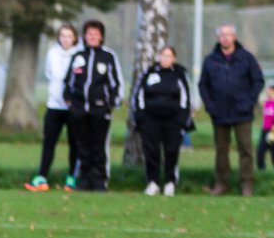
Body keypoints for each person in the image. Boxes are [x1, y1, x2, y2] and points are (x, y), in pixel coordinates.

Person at [198, 23, 263, 196]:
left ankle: (247, 184)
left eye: (229, 35)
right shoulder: (210, 60)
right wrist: (210, 105)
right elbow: (203, 84)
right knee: (221, 151)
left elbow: (258, 81)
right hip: (219, 113)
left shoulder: (246, 58)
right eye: (222, 35)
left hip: (242, 113)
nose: (226, 38)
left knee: (246, 150)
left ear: (234, 37)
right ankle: (221, 183)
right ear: (218, 38)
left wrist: (249, 102)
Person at [63, 19, 123, 191]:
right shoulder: (78, 57)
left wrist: (110, 104)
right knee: (82, 146)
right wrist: (70, 102)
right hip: (79, 109)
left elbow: (116, 83)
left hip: (100, 110)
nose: (92, 37)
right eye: (89, 34)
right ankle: (84, 179)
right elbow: (69, 82)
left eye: (95, 34)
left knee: (99, 146)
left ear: (101, 37)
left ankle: (99, 180)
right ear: (84, 36)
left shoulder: (108, 57)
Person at [26, 23, 81, 190]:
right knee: (49, 142)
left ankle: (72, 178)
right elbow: (51, 74)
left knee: (75, 144)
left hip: (72, 107)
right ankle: (42, 177)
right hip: (54, 106)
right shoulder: (52, 53)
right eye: (63, 36)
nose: (65, 39)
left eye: (69, 36)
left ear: (74, 38)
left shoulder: (79, 55)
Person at [131, 45, 191, 196]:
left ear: (174, 59)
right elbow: (139, 95)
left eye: (169, 56)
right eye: (163, 55)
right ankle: (153, 182)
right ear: (159, 57)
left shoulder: (179, 74)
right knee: (152, 151)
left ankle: (170, 182)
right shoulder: (149, 73)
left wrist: (182, 119)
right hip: (151, 120)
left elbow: (186, 99)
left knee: (171, 151)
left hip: (173, 120)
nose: (166, 59)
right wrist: (141, 117)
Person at [258, 85, 274, 172]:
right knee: (261, 151)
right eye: (267, 93)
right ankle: (261, 170)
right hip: (265, 130)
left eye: (270, 92)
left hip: (273, 132)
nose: (268, 94)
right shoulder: (266, 103)